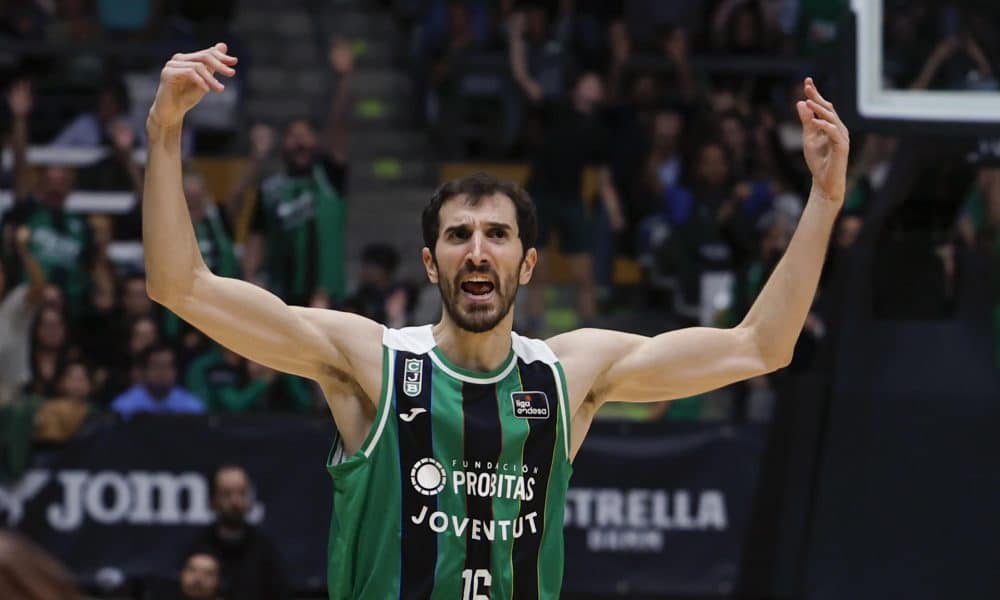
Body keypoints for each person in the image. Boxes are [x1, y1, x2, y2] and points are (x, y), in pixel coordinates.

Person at [143, 44, 848, 598]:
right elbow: (182, 285)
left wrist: (822, 199)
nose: (477, 250)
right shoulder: (372, 361)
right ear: (430, 262)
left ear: (528, 263)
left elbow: (761, 345)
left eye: (497, 235)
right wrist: (165, 131)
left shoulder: (569, 375)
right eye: (458, 235)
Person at [241, 39, 352, 307]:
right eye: (293, 136)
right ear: (283, 144)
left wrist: (344, 79)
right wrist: (249, 279)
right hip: (283, 298)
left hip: (328, 299)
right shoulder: (270, 190)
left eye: (306, 135)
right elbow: (256, 237)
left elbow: (337, 124)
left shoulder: (329, 175)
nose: (301, 142)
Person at [191, 464, 287, 600]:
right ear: (212, 500)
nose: (235, 502)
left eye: (242, 493)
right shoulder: (199, 547)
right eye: (226, 494)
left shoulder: (265, 550)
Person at [110, 344, 204, 418]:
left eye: (167, 366)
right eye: (156, 366)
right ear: (144, 371)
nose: (162, 373)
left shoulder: (192, 407)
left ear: (175, 371)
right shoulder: (124, 407)